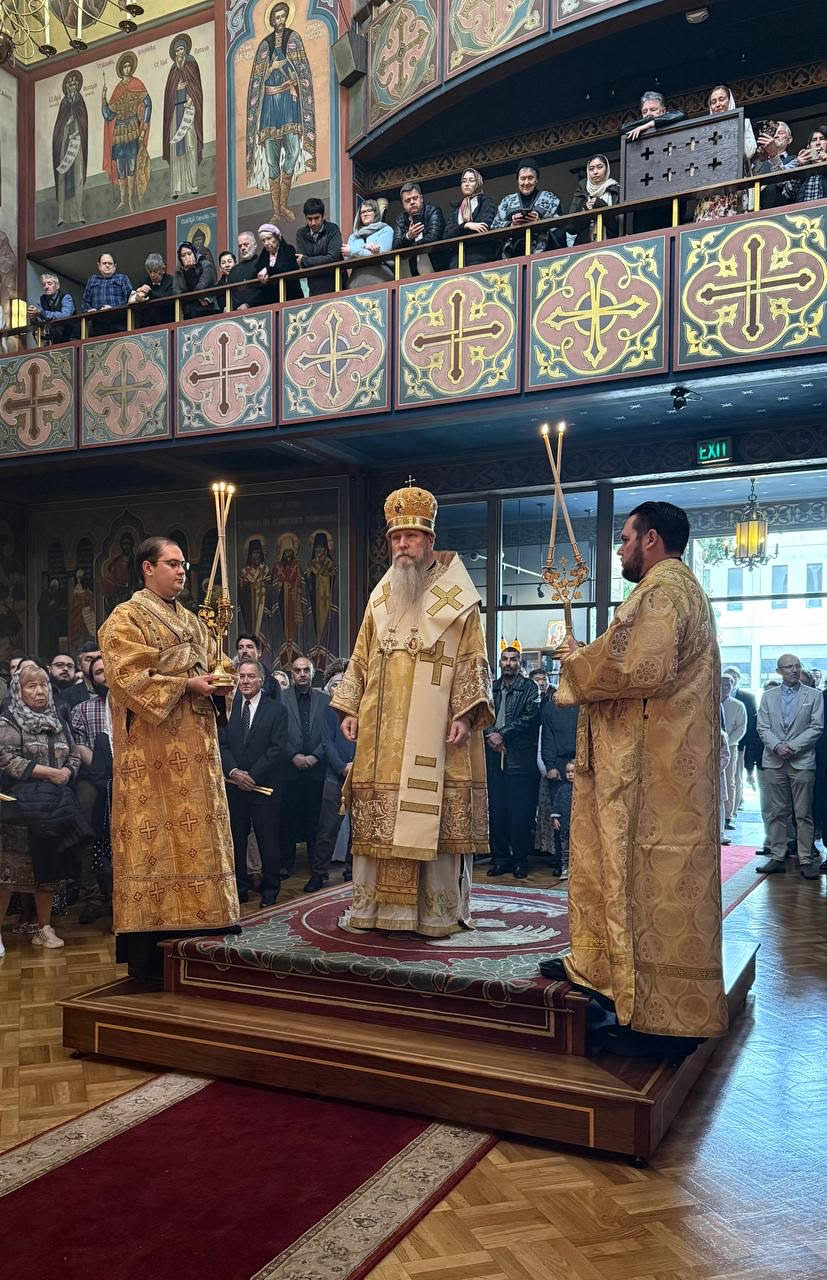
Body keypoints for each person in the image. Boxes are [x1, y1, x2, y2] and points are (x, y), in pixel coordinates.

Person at [540, 500, 729, 1049]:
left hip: (651, 776)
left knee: (645, 881)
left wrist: (577, 661)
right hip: (663, 769)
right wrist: (589, 657)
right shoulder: (680, 589)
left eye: (624, 539)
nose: (620, 549)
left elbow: (639, 667)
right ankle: (608, 975)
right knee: (643, 881)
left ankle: (649, 1015)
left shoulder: (662, 591)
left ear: (650, 539)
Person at [331, 483, 493, 936]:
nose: (402, 545)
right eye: (396, 537)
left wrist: (464, 713)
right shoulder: (382, 595)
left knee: (429, 817)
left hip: (435, 732)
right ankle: (375, 910)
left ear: (430, 541)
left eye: (411, 536)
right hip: (382, 735)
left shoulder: (457, 597)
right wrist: (350, 707)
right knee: (382, 817)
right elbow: (361, 655)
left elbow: (473, 659)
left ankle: (432, 914)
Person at [98, 536, 240, 982]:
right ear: (147, 568)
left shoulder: (194, 621)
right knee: (154, 847)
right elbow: (126, 677)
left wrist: (222, 680)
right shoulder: (125, 617)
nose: (181, 571)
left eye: (184, 565)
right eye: (173, 564)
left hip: (198, 754)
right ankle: (150, 957)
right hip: (152, 759)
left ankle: (207, 938)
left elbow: (218, 664)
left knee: (201, 839)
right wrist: (186, 682)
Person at [0, 665, 91, 954]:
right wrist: (49, 773)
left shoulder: (57, 718)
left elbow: (74, 753)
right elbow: (6, 759)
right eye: (31, 686)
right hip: (19, 809)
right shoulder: (9, 720)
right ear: (18, 691)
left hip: (54, 807)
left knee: (48, 869)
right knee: (8, 872)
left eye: (43, 685)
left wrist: (67, 772)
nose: (39, 691)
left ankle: (44, 927)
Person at [219, 657, 287, 907]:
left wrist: (252, 776)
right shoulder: (228, 708)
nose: (245, 681)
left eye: (250, 676)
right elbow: (221, 744)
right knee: (236, 840)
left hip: (263, 787)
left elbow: (277, 748)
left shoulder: (276, 710)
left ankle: (270, 890)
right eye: (242, 676)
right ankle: (240, 888)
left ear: (261, 680)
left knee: (267, 841)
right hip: (235, 787)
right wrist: (235, 772)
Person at [245, 1, 316, 223]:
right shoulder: (264, 45)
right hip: (269, 106)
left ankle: (284, 204)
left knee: (293, 151)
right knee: (271, 158)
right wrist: (273, 68)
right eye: (277, 17)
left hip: (289, 104)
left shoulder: (294, 38)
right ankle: (277, 210)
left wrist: (290, 71)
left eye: (283, 16)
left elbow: (302, 70)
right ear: (271, 20)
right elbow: (257, 80)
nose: (280, 21)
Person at [756, 653, 823, 878]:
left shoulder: (814, 695)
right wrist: (777, 746)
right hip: (773, 761)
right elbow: (762, 726)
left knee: (803, 813)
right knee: (777, 811)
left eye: (797, 666)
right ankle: (778, 856)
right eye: (788, 667)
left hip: (802, 761)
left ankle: (805, 859)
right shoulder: (768, 696)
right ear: (779, 671)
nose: (794, 670)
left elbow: (816, 727)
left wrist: (792, 747)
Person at [484, 647, 540, 879]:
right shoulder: (491, 687)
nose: (508, 663)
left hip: (520, 759)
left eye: (513, 660)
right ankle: (500, 859)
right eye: (505, 660)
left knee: (520, 813)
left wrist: (502, 735)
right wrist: (490, 734)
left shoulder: (530, 688)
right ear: (500, 663)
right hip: (493, 758)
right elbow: (482, 714)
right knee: (497, 812)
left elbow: (530, 718)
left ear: (520, 664)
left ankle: (519, 860)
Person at [69, 653, 113, 924]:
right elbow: (80, 745)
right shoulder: (82, 710)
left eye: (109, 670)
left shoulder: (134, 706)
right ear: (92, 679)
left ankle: (120, 898)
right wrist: (102, 768)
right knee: (87, 829)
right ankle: (93, 897)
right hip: (93, 778)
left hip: (131, 777)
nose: (105, 677)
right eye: (99, 673)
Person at [280, 655, 328, 884]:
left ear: (312, 673)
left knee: (315, 820)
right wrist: (293, 755)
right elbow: (277, 733)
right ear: (292, 674)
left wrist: (315, 756)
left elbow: (329, 733)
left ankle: (314, 865)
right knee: (288, 818)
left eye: (306, 670)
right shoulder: (281, 699)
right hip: (289, 769)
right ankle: (286, 865)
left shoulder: (325, 700)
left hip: (317, 770)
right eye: (297, 670)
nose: (302, 674)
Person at [306, 666, 354, 891]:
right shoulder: (329, 710)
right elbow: (326, 742)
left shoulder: (364, 707)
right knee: (327, 828)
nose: (341, 686)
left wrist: (356, 766)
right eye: (336, 683)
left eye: (345, 682)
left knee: (358, 830)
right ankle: (319, 873)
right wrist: (342, 767)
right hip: (335, 776)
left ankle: (351, 872)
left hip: (360, 774)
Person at [621, 91, 686, 233]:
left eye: (653, 109)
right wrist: (647, 123)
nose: (648, 114)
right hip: (646, 197)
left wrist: (649, 124)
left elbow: (680, 114)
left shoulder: (671, 121)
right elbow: (624, 128)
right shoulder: (638, 130)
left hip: (671, 192)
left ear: (663, 111)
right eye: (645, 111)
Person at [693, 86, 757, 222]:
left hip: (735, 190)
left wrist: (732, 129)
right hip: (711, 191)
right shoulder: (705, 131)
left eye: (721, 99)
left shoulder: (744, 123)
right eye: (713, 102)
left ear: (730, 100)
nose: (717, 104)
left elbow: (749, 152)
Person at [535, 681, 578, 874]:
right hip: (559, 764)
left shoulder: (583, 704)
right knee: (559, 817)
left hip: (581, 762)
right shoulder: (551, 707)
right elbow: (547, 738)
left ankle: (580, 863)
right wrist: (550, 766)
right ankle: (561, 862)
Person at [101, 51, 152, 214]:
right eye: (125, 66)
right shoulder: (117, 89)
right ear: (121, 70)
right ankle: (123, 200)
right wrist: (103, 98)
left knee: (131, 165)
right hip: (119, 132)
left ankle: (130, 199)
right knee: (120, 168)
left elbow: (148, 103)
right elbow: (108, 115)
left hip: (133, 129)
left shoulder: (137, 84)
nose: (127, 69)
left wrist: (144, 124)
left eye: (129, 66)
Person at [491, 160, 564, 258]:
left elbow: (559, 226)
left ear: (536, 180)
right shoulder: (507, 201)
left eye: (530, 178)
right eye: (522, 178)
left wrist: (539, 221)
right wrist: (511, 224)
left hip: (545, 254)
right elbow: (494, 227)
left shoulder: (550, 198)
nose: (526, 183)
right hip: (513, 254)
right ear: (518, 180)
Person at [162, 33, 203, 200]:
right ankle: (177, 188)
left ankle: (192, 185)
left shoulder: (191, 64)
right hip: (175, 113)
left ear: (186, 50)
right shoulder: (173, 70)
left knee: (191, 147)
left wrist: (191, 98)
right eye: (177, 50)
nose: (179, 53)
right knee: (176, 151)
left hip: (189, 111)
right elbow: (168, 95)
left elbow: (196, 88)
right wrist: (176, 89)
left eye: (181, 49)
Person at [52, 69, 88, 227]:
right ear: (66, 87)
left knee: (78, 178)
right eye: (70, 84)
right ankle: (61, 215)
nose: (72, 87)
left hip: (77, 144)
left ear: (77, 86)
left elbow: (84, 123)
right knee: (62, 178)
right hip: (65, 145)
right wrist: (66, 127)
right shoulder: (64, 104)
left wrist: (77, 130)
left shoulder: (80, 102)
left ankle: (79, 213)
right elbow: (59, 127)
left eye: (74, 84)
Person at [444, 169, 497, 267]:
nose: (467, 184)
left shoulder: (485, 202)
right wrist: (466, 226)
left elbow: (484, 226)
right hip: (456, 260)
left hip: (479, 256)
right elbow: (447, 235)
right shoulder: (457, 209)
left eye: (471, 180)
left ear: (478, 183)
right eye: (464, 181)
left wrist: (458, 231)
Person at [392, 182, 446, 277]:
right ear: (403, 204)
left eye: (415, 198)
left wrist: (413, 245)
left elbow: (434, 237)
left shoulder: (433, 211)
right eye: (407, 200)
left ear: (421, 198)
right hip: (415, 270)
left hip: (438, 265)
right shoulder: (401, 220)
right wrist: (409, 236)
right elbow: (396, 245)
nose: (412, 202)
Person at [295, 198, 343, 296]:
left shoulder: (332, 229)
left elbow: (333, 257)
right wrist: (305, 261)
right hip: (314, 287)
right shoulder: (301, 234)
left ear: (323, 216)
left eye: (316, 218)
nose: (313, 223)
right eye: (309, 219)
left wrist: (306, 260)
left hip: (336, 284)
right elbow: (301, 263)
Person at [342, 199, 394, 288]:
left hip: (380, 276)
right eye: (362, 212)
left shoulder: (386, 230)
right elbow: (347, 259)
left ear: (375, 213)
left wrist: (353, 251)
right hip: (355, 281)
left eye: (369, 210)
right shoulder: (353, 236)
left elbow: (382, 253)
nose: (365, 214)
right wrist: (365, 247)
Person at [568, 155, 620, 244]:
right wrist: (585, 211)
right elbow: (571, 228)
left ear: (607, 169)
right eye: (591, 169)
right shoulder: (581, 192)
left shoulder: (616, 190)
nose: (595, 172)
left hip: (611, 244)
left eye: (599, 167)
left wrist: (604, 207)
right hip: (584, 245)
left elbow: (619, 226)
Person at [81, 253, 133, 336]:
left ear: (115, 266)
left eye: (110, 263)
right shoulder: (92, 280)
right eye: (104, 263)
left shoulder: (122, 278)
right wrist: (89, 310)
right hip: (98, 326)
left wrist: (113, 309)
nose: (107, 265)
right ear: (99, 265)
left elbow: (131, 299)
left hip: (119, 324)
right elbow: (85, 302)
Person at [720, 673, 747, 834]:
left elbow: (741, 728)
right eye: (722, 684)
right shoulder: (710, 700)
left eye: (728, 684)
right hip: (711, 747)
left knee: (730, 780)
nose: (725, 687)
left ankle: (729, 815)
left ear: (733, 686)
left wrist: (726, 742)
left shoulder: (738, 705)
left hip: (730, 746)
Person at [750, 120, 797, 207]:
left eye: (780, 133)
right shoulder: (759, 161)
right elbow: (749, 184)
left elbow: (784, 180)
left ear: (789, 139)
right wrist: (760, 160)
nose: (775, 136)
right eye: (774, 133)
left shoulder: (795, 160)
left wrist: (773, 155)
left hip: (784, 209)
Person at [253, 222, 302, 303]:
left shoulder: (289, 250)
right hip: (270, 301)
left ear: (277, 237)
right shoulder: (262, 258)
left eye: (269, 238)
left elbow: (287, 270)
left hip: (291, 298)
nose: (266, 243)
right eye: (263, 240)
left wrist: (268, 270)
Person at [173, 240, 220, 320]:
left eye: (189, 254)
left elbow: (200, 287)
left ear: (195, 253)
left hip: (208, 308)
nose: (187, 258)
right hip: (189, 311)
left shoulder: (206, 265)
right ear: (180, 258)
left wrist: (190, 270)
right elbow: (176, 292)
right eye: (183, 255)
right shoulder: (179, 272)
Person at [781, 126, 827, 204]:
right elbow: (787, 194)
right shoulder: (804, 168)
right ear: (809, 147)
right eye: (814, 140)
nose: (818, 143)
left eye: (822, 139)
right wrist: (801, 168)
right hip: (805, 211)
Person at [27, 272, 76, 345]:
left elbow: (65, 315)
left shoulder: (66, 297)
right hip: (53, 340)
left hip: (70, 338)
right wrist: (33, 317)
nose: (46, 287)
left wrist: (41, 313)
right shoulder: (41, 300)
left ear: (57, 286)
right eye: (44, 284)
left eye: (49, 284)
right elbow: (39, 321)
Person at [129, 253, 175, 328]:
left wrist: (150, 292)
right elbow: (135, 304)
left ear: (163, 269)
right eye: (150, 272)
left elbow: (168, 298)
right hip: (147, 325)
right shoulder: (143, 281)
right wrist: (138, 296)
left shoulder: (170, 280)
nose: (152, 275)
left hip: (167, 322)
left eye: (155, 271)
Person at [227, 231, 266, 310]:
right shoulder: (234, 270)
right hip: (237, 311)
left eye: (246, 244)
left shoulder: (263, 263)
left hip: (260, 308)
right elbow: (231, 293)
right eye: (240, 246)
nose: (242, 248)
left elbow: (265, 289)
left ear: (255, 245)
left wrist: (248, 304)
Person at [551, 758, 575, 880]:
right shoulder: (562, 790)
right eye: (568, 772)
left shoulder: (583, 789)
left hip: (579, 826)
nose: (570, 774)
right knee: (565, 849)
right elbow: (557, 805)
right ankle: (565, 868)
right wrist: (555, 818)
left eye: (573, 772)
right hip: (565, 825)